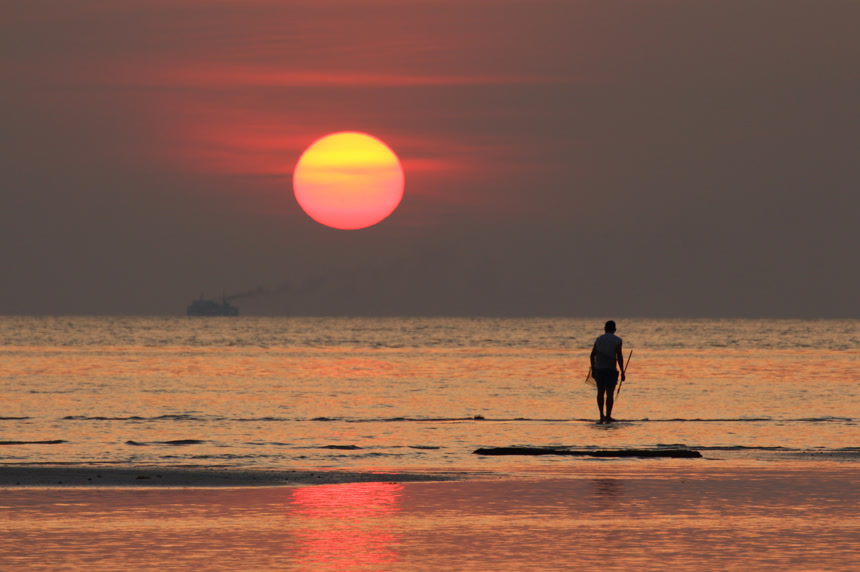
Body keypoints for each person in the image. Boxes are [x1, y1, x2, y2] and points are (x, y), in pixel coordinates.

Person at [590, 320, 625, 424]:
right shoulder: (618, 340)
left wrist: (593, 369)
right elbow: (619, 356)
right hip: (611, 370)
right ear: (614, 330)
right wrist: (623, 371)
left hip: (599, 369)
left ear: (605, 329)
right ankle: (608, 416)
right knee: (610, 394)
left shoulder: (599, 339)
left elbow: (592, 355)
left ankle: (601, 416)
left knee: (600, 393)